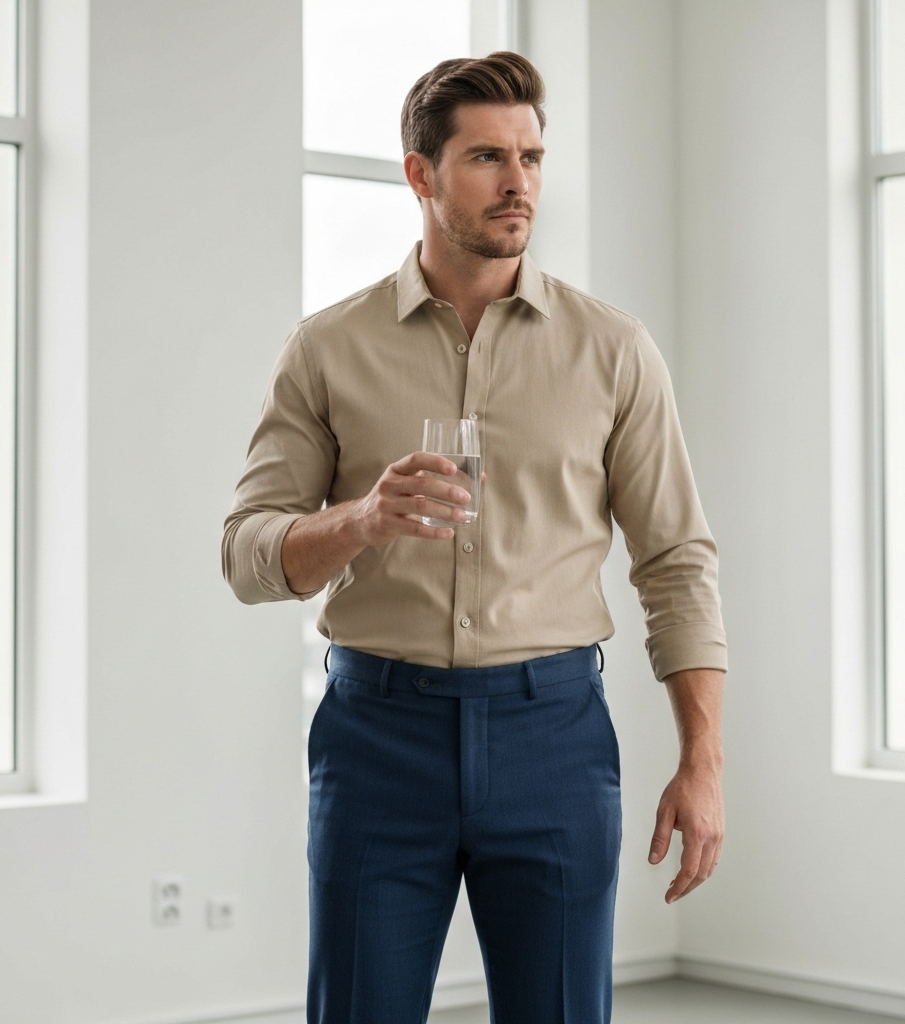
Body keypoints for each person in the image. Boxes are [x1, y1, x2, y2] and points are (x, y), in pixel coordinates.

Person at [222, 51, 726, 1024]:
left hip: (553, 734)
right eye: (488, 156)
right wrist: (361, 518)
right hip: (378, 737)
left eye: (531, 157)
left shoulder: (611, 349)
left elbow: (674, 561)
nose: (519, 182)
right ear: (420, 173)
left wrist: (701, 761)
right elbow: (247, 551)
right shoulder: (327, 348)